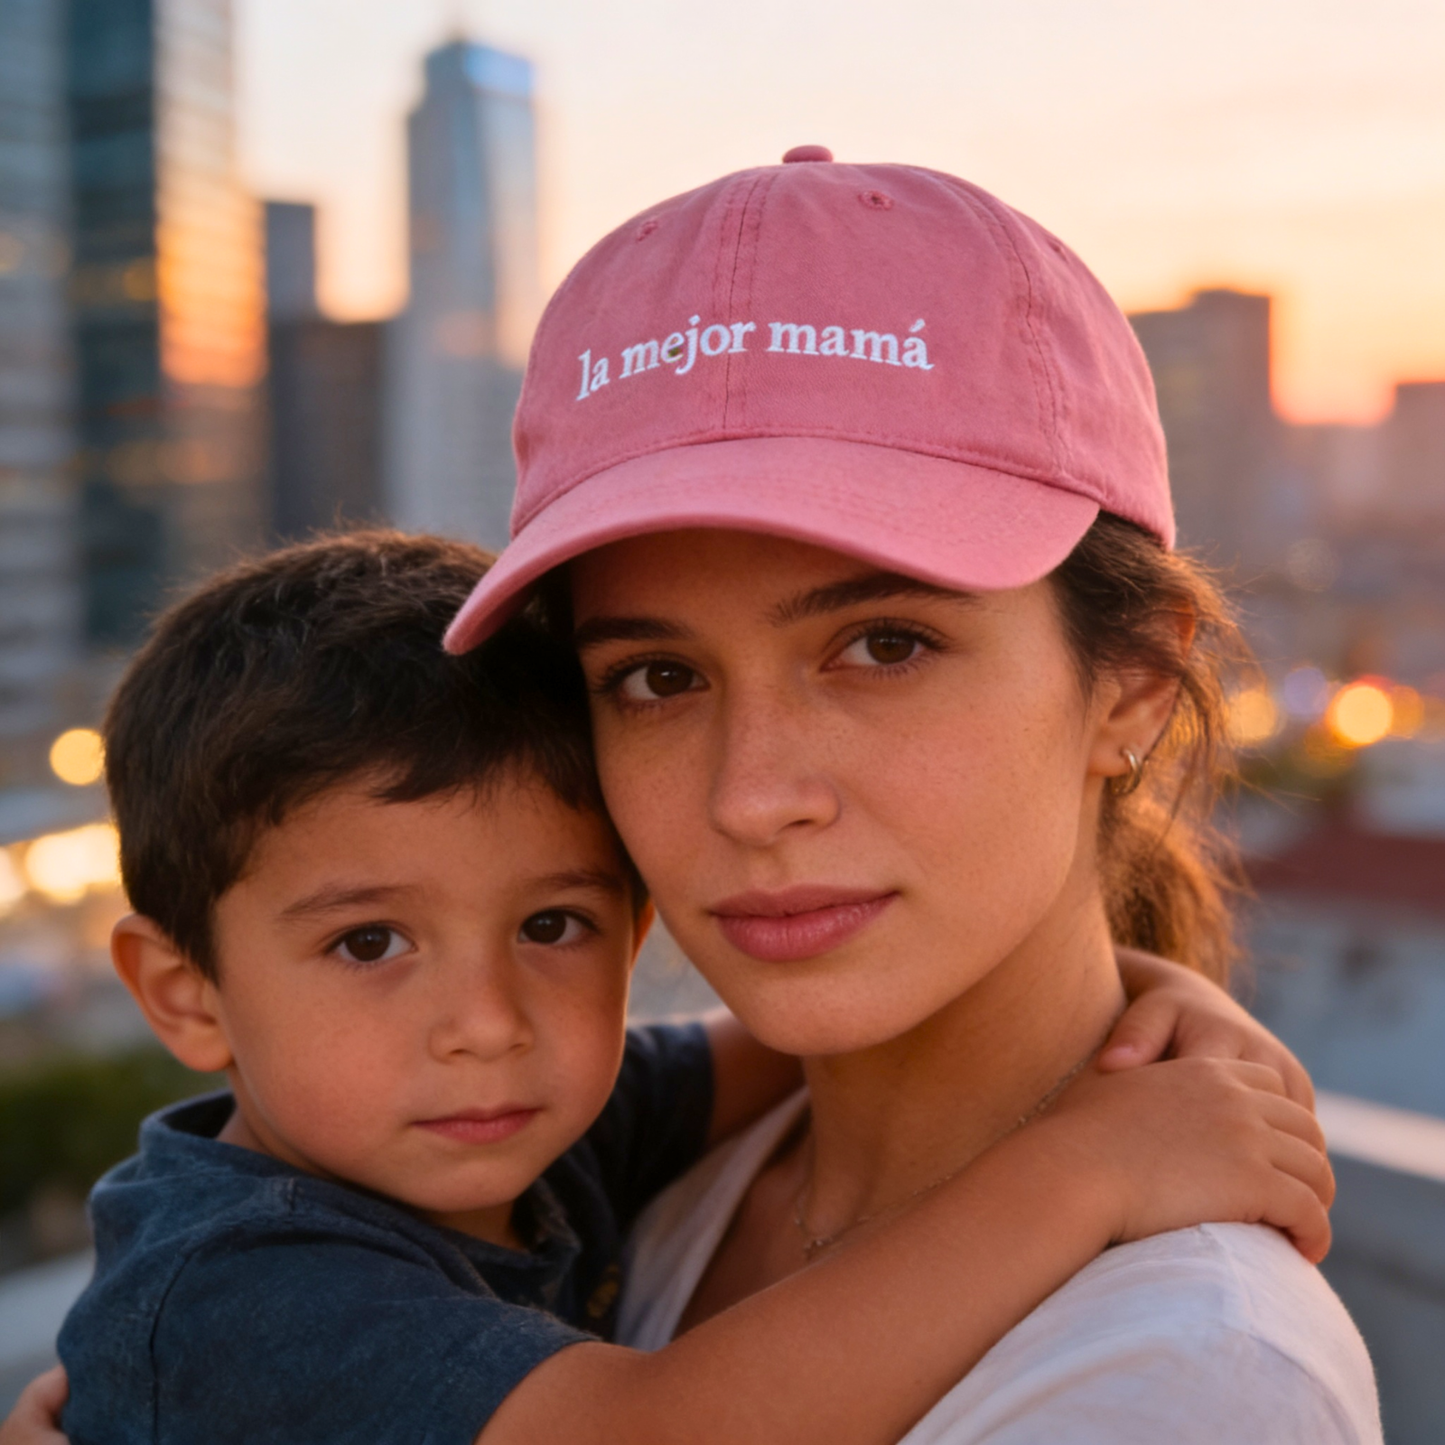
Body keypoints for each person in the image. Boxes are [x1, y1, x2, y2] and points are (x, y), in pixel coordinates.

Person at [437, 149, 1385, 1442]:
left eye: (885, 645)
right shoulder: (632, 1185)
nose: (753, 797)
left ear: (1134, 683)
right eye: (659, 677)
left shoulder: (1181, 1381)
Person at [17, 532, 1327, 1445]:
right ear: (182, 994)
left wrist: (1156, 1003)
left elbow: (760, 1045)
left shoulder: (519, 1126)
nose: (489, 1023)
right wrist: (1083, 1171)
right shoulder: (239, 1284)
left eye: (552, 924)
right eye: (370, 945)